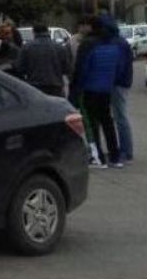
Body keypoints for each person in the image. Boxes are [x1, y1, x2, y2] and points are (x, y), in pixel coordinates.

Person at [74, 17, 124, 169]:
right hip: (106, 88)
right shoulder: (113, 43)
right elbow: (119, 67)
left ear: (90, 26)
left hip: (89, 88)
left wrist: (76, 88)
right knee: (107, 121)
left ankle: (98, 158)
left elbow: (82, 68)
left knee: (91, 123)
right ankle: (115, 156)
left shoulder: (88, 44)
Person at [17, 24, 72, 97]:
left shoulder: (26, 47)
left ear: (34, 32)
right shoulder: (60, 47)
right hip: (55, 86)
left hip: (34, 85)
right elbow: (67, 69)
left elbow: (21, 68)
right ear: (48, 32)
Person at [107, 17, 134, 163]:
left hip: (118, 84)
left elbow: (120, 65)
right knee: (120, 116)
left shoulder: (117, 43)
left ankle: (126, 150)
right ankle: (124, 149)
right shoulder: (120, 42)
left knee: (121, 117)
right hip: (121, 82)